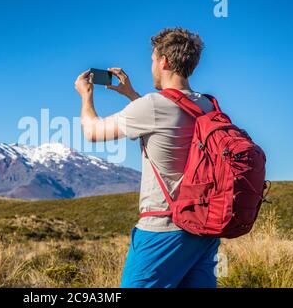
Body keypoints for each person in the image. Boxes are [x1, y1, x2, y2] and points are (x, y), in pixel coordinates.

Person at [74, 27, 220, 288]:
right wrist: (131, 95)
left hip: (162, 229)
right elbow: (168, 119)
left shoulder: (152, 106)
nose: (151, 65)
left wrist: (86, 97)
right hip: (204, 230)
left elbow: (92, 132)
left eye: (153, 59)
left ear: (163, 61)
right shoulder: (207, 105)